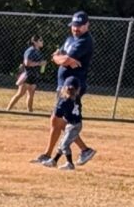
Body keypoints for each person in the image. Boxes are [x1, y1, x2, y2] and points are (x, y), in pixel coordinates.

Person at [37, 12, 96, 168]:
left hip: (72, 87)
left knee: (62, 121)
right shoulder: (71, 39)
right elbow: (58, 57)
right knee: (57, 121)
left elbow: (63, 59)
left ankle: (82, 150)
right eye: (74, 26)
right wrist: (60, 59)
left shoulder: (85, 41)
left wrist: (61, 59)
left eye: (79, 26)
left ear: (87, 25)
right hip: (62, 85)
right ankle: (49, 155)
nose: (76, 29)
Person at [7, 29, 49, 113]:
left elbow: (39, 64)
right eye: (40, 40)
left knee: (31, 95)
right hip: (27, 75)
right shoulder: (30, 51)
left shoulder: (38, 52)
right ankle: (8, 110)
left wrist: (42, 64)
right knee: (20, 94)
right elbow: (27, 63)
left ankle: (30, 112)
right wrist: (39, 63)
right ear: (35, 42)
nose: (42, 41)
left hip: (34, 75)